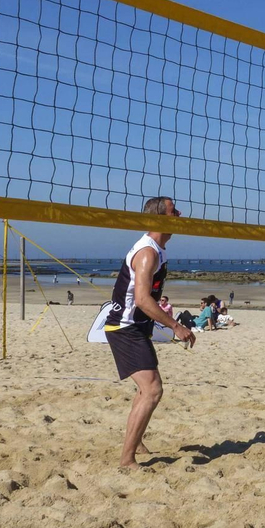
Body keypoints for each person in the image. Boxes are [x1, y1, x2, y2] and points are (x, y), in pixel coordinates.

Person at [103, 196, 195, 469]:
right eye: (173, 211)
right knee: (152, 389)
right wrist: (176, 326)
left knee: (146, 390)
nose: (179, 214)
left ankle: (136, 443)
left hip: (136, 327)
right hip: (125, 328)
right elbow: (143, 299)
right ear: (159, 218)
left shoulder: (157, 249)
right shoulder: (148, 253)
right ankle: (126, 459)